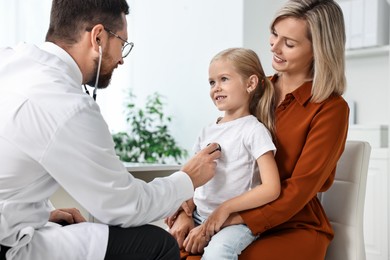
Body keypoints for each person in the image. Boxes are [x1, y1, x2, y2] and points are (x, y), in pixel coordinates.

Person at [0, 0, 221, 260]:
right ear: (98, 37)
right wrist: (188, 178)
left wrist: (36, 212)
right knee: (157, 245)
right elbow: (124, 207)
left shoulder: (10, 60)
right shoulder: (67, 104)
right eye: (122, 43)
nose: (121, 60)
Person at [167, 0, 350, 259]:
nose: (274, 47)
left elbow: (298, 190)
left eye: (289, 43)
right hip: (228, 214)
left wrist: (224, 218)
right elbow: (222, 156)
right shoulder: (253, 88)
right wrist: (188, 213)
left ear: (318, 50)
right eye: (274, 34)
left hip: (291, 225)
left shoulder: (331, 109)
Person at [178, 48, 280, 259]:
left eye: (224, 79)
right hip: (200, 215)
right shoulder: (207, 131)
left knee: (218, 254)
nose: (216, 88)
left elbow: (272, 188)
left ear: (250, 84)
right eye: (211, 82)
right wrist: (186, 205)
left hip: (235, 223)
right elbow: (194, 177)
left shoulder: (254, 130)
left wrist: (225, 209)